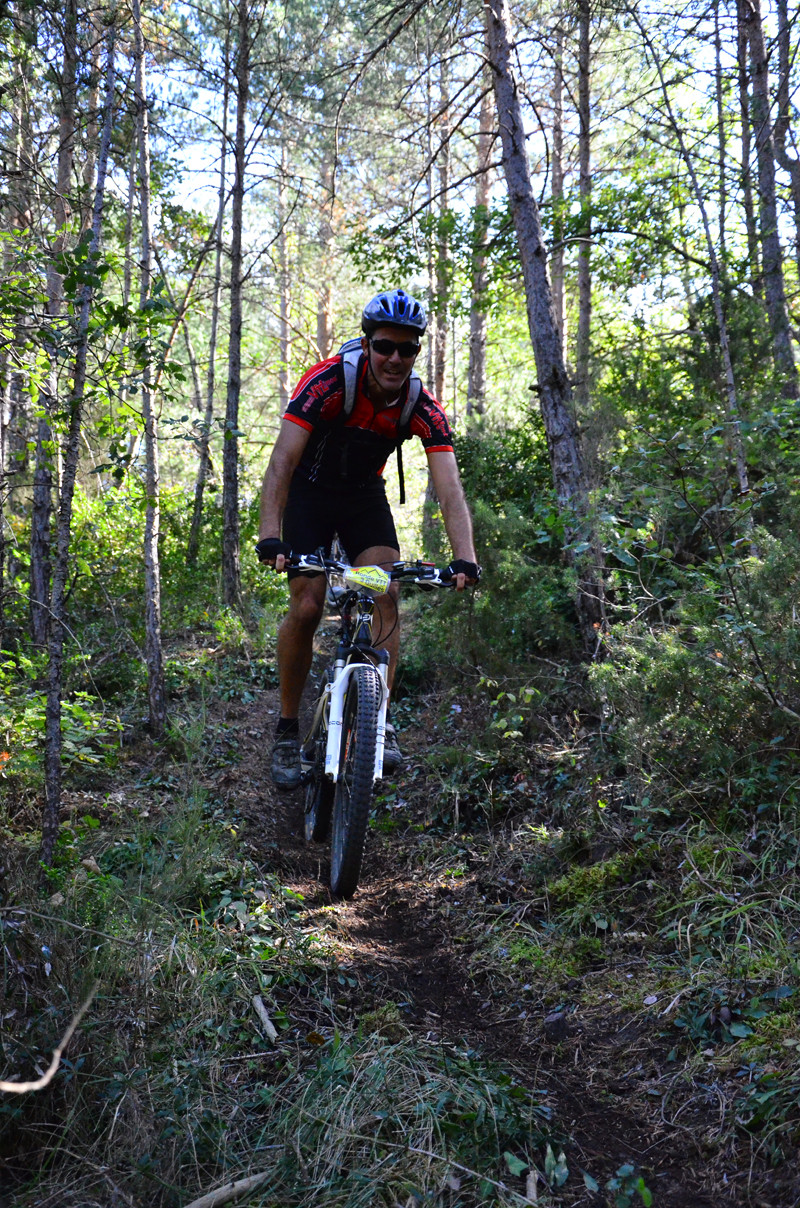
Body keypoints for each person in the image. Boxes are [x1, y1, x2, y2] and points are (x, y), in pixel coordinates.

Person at [256, 287, 480, 790]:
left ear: (417, 351)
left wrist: (464, 558)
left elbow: (449, 487)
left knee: (386, 592)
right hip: (309, 495)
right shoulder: (328, 382)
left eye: (407, 349)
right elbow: (282, 463)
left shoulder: (422, 405)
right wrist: (272, 536)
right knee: (310, 605)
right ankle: (288, 729)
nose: (395, 358)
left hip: (362, 499)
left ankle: (379, 723)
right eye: (384, 346)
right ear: (368, 343)